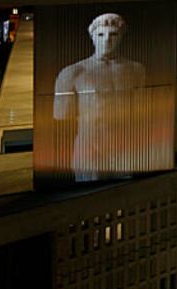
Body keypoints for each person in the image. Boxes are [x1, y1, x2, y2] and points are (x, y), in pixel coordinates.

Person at [54, 13, 146, 182]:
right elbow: (61, 115)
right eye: (101, 35)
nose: (107, 40)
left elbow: (139, 113)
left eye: (113, 34)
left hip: (124, 147)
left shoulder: (136, 70)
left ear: (121, 37)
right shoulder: (73, 72)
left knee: (124, 199)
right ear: (93, 37)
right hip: (90, 147)